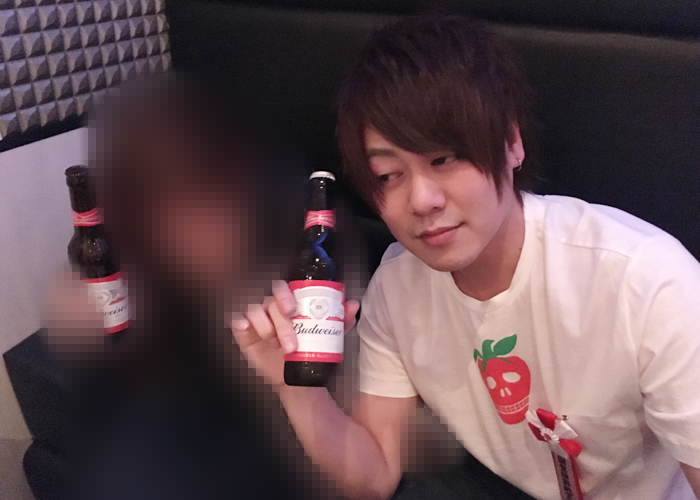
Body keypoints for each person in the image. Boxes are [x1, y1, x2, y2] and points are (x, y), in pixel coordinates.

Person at [231, 14, 700, 500]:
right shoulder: (398, 285)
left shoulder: (646, 282)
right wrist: (296, 387)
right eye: (389, 175)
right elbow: (374, 477)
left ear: (512, 144)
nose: (422, 200)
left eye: (444, 159)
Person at [45, 74, 334, 500]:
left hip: (273, 419)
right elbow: (125, 393)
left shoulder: (304, 248)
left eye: (207, 196)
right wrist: (87, 347)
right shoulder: (133, 260)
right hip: (182, 404)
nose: (185, 227)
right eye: (162, 204)